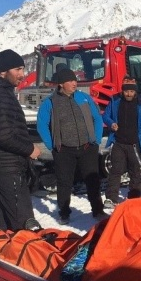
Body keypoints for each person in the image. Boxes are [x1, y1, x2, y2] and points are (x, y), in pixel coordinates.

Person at [0, 49, 42, 232]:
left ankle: (1, 246)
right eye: (17, 69)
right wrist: (30, 149)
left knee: (6, 223)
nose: (22, 74)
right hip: (6, 166)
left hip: (1, 166)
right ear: (3, 72)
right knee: (24, 224)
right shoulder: (0, 96)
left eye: (23, 69)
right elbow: (4, 136)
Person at [36, 67, 105, 224]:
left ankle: (98, 210)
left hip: (87, 147)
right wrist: (53, 146)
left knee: (93, 180)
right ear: (61, 84)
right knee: (64, 182)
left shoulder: (84, 98)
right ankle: (64, 213)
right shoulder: (50, 102)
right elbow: (42, 125)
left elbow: (97, 118)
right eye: (70, 81)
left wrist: (96, 140)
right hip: (64, 150)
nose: (74, 83)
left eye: (75, 80)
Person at [101, 77, 141, 209]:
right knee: (115, 170)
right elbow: (105, 116)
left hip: (134, 144)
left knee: (135, 171)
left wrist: (140, 134)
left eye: (131, 91)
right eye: (126, 91)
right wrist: (111, 123)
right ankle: (111, 198)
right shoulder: (115, 100)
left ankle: (134, 198)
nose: (129, 94)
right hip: (118, 142)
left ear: (135, 91)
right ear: (122, 91)